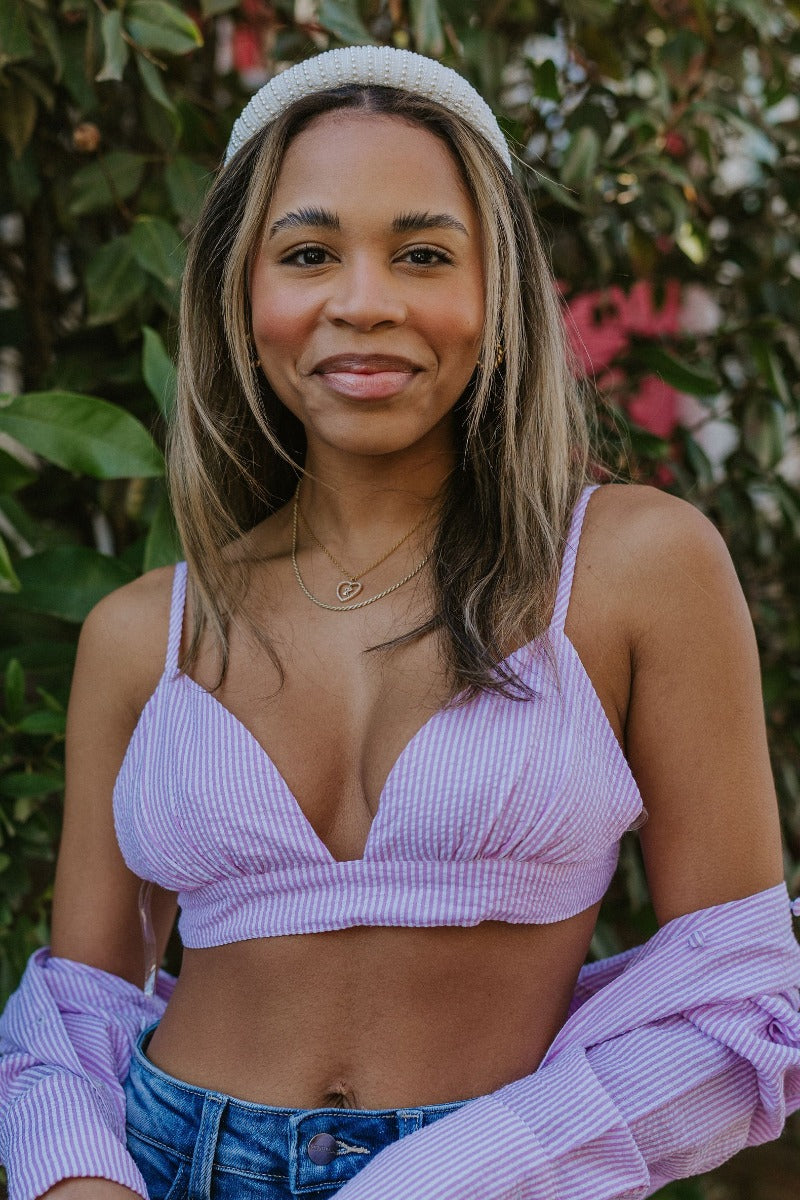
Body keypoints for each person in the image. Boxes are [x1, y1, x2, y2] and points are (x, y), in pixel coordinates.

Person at [0, 43, 799, 1200]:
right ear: (242, 291)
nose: (361, 302)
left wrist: (439, 1179)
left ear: (496, 291)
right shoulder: (143, 634)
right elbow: (74, 1014)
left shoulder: (632, 567)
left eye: (422, 253)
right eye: (308, 253)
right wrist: (83, 1185)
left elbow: (741, 1005)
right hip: (169, 1168)